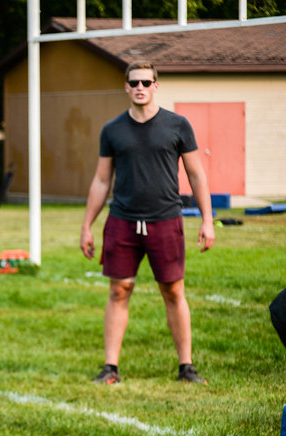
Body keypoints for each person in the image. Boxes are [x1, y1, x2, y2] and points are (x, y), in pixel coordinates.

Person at [80, 61, 215, 385]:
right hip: (123, 221)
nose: (139, 87)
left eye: (145, 82)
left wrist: (208, 220)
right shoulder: (112, 130)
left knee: (173, 291)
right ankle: (110, 368)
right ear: (126, 87)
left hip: (165, 220)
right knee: (119, 290)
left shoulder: (178, 125)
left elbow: (197, 175)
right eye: (134, 82)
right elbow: (101, 180)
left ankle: (186, 367)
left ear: (156, 86)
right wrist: (87, 225)